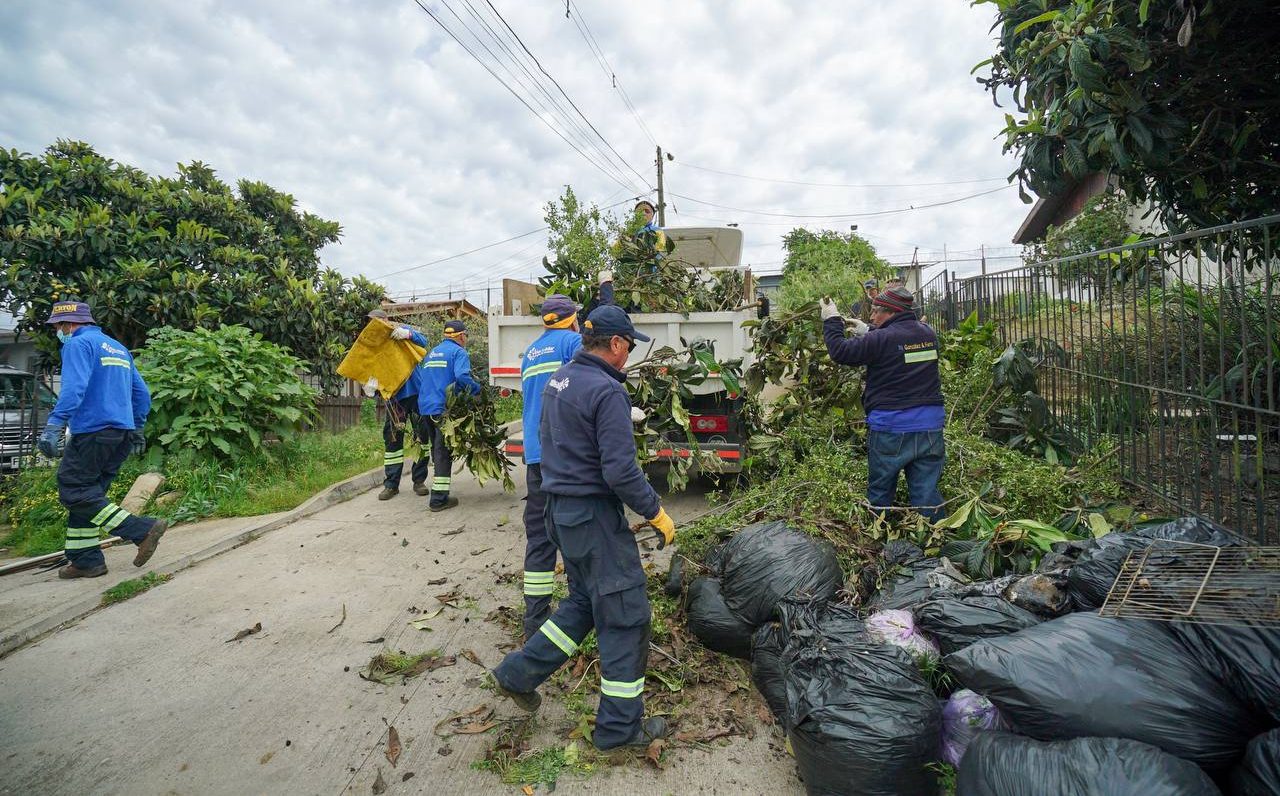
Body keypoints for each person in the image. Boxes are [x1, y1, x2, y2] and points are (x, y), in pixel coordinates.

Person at [492, 304, 675, 751]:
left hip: (560, 513)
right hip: (592, 520)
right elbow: (620, 471)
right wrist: (655, 512)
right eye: (629, 346)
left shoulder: (561, 379)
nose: (629, 355)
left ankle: (518, 673)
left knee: (585, 603)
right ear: (615, 344)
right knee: (626, 615)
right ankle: (619, 731)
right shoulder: (607, 391)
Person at [36, 301, 168, 579]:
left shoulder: (77, 344)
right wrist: (137, 428)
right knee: (89, 496)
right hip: (120, 433)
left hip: (93, 431)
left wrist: (55, 424)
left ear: (68, 324)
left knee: (74, 491)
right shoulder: (117, 348)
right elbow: (141, 394)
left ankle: (141, 530)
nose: (58, 332)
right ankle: (86, 560)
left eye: (58, 326)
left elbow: (74, 388)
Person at [820, 287, 946, 521]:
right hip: (930, 428)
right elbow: (900, 347)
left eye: (875, 311)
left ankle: (879, 532)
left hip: (891, 428)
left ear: (891, 312)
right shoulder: (928, 334)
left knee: (881, 492)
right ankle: (936, 536)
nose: (872, 316)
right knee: (927, 493)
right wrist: (869, 330)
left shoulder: (880, 339)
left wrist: (832, 320)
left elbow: (840, 351)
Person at [518, 295, 583, 641]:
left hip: (536, 455)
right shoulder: (572, 342)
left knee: (540, 536)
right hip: (564, 453)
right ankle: (579, 612)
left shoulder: (531, 352)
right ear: (572, 320)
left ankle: (535, 621)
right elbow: (589, 382)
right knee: (574, 528)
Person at [416, 319, 481, 511]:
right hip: (443, 408)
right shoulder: (458, 352)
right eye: (466, 335)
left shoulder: (432, 352)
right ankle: (438, 499)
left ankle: (438, 490)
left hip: (426, 407)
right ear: (461, 336)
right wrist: (476, 390)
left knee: (437, 449)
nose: (466, 339)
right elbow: (462, 377)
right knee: (443, 452)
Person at [367, 309, 430, 501]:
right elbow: (368, 365)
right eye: (371, 322)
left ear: (386, 320)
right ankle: (391, 485)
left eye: (377, 321)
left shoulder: (401, 330)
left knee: (421, 437)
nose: (374, 325)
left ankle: (419, 481)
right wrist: (370, 384)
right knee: (393, 439)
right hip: (395, 398)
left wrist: (408, 334)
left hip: (417, 392)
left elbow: (424, 342)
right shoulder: (372, 344)